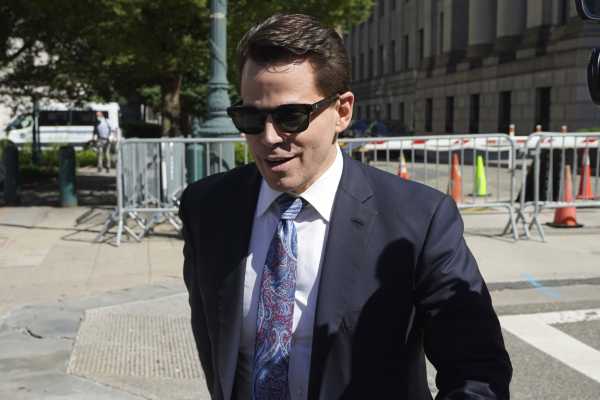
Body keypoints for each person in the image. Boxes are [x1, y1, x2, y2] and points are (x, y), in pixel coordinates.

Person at [179, 13, 512, 400]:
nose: (269, 137)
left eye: (291, 117)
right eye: (251, 117)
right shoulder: (207, 208)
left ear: (342, 111)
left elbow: (476, 369)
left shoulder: (419, 219)